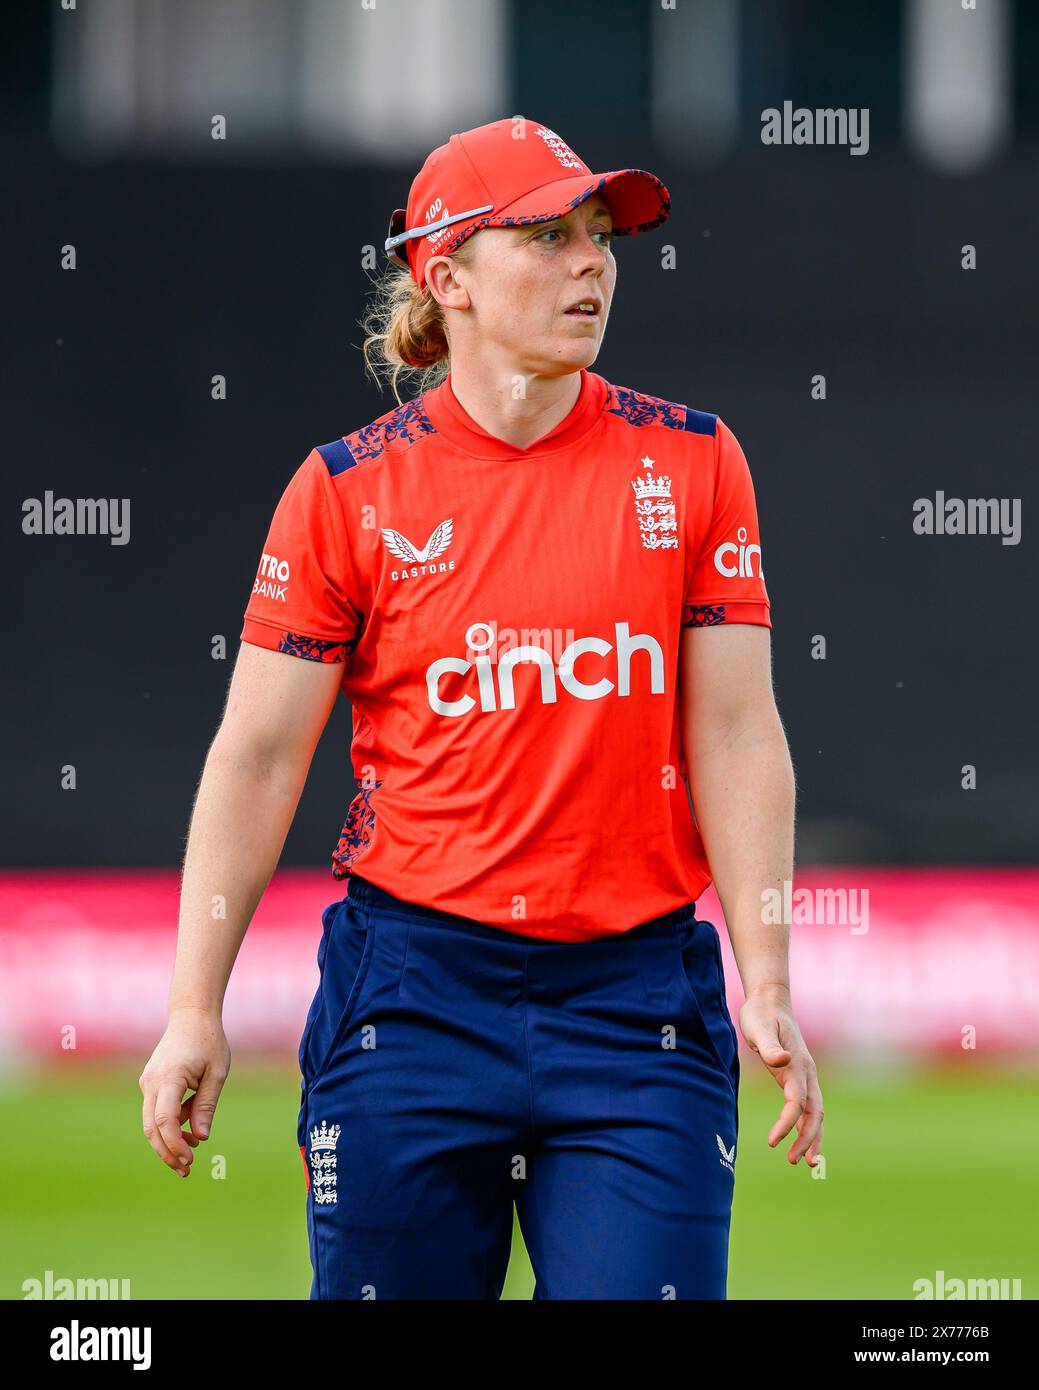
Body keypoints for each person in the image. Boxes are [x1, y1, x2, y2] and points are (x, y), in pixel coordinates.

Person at [139, 116, 823, 1300]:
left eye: (599, 236)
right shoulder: (345, 491)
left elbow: (734, 731)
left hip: (637, 1006)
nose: (592, 265)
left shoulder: (697, 462)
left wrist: (766, 977)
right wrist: (192, 1007)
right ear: (443, 275)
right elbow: (255, 758)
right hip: (409, 995)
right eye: (548, 237)